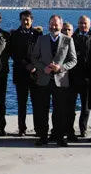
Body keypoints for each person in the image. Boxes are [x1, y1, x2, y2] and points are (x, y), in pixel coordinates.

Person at [31, 15, 77, 147]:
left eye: (56, 24)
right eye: (51, 24)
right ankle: (43, 137)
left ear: (61, 25)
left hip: (60, 81)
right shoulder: (42, 39)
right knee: (42, 110)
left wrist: (61, 67)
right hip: (44, 80)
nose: (53, 27)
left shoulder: (68, 40)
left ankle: (59, 137)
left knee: (60, 111)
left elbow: (73, 60)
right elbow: (34, 57)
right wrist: (42, 68)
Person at [9, 10, 41, 137]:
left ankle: (38, 128)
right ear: (20, 20)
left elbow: (41, 52)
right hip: (20, 73)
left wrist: (34, 65)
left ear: (31, 20)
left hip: (35, 73)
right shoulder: (14, 34)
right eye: (23, 19)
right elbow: (13, 52)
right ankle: (21, 128)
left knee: (36, 103)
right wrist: (25, 64)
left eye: (27, 19)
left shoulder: (38, 34)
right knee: (21, 103)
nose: (25, 21)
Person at [70, 15, 91, 140]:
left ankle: (83, 129)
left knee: (86, 107)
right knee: (70, 106)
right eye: (80, 23)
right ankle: (69, 129)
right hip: (73, 77)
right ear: (77, 24)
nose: (83, 25)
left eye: (85, 23)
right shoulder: (71, 38)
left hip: (88, 78)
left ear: (90, 24)